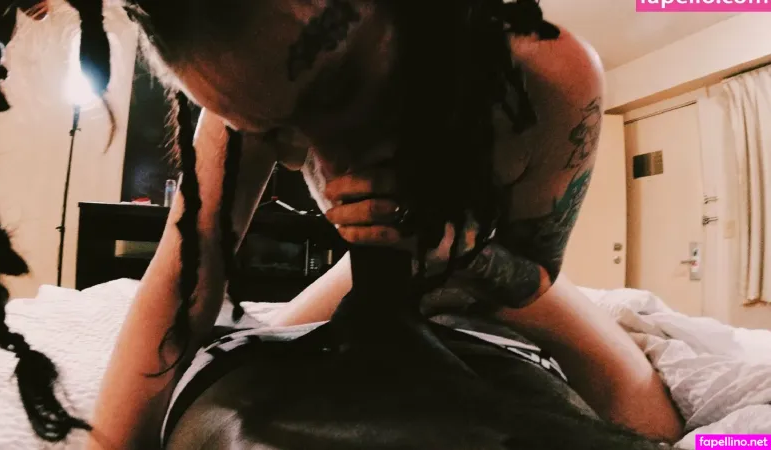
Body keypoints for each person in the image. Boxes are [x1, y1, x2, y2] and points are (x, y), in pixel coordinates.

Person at [82, 0, 683, 448]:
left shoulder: (550, 73)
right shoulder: (254, 84)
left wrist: (456, 250)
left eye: (338, 91)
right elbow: (187, 270)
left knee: (657, 424)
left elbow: (537, 270)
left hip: (485, 271)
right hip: (364, 271)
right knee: (250, 368)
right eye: (269, 132)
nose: (320, 164)